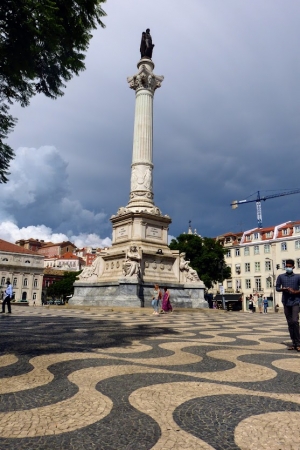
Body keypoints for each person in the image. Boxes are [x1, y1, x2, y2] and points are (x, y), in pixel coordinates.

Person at [276, 259, 300, 351]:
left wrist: (295, 291)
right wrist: (284, 289)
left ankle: (298, 343)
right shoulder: (281, 277)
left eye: (290, 266)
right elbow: (277, 288)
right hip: (286, 302)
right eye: (287, 266)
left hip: (296, 301)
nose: (288, 268)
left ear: (293, 267)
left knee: (295, 321)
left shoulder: (298, 277)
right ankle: (294, 343)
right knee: (290, 323)